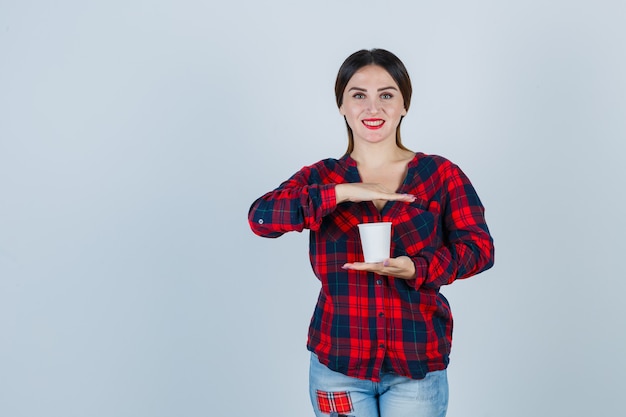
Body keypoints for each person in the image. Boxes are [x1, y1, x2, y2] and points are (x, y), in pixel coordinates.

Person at [248, 49, 494, 417]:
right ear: (342, 106)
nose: (373, 108)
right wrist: (342, 193)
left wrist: (417, 268)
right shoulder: (322, 178)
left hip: (417, 365)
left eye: (387, 95)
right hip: (338, 366)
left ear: (404, 105)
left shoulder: (440, 174)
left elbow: (479, 249)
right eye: (358, 95)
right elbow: (261, 219)